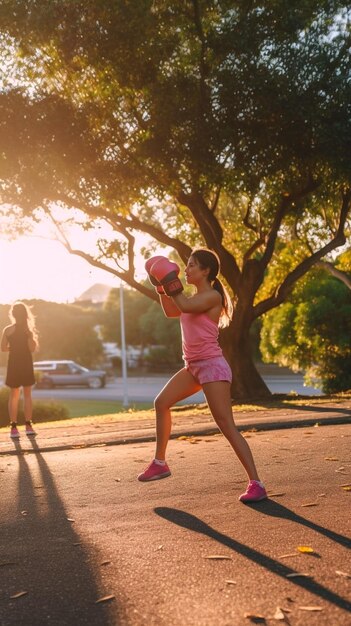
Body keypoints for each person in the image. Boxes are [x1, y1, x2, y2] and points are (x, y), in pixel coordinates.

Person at [138, 248, 268, 503]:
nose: (186, 270)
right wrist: (161, 286)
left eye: (191, 265)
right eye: (185, 266)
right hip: (193, 367)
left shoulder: (211, 297)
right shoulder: (192, 298)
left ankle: (257, 483)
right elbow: (172, 310)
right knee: (161, 403)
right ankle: (160, 462)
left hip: (212, 366)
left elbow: (183, 304)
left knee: (226, 426)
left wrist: (168, 278)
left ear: (206, 271)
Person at [1, 301, 38, 439]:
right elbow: (32, 349)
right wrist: (29, 338)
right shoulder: (28, 331)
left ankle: (13, 427)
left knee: (14, 395)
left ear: (13, 314)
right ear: (25, 315)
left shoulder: (7, 330)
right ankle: (28, 425)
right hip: (26, 363)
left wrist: (14, 348)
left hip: (14, 363)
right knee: (27, 394)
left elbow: (3, 348)